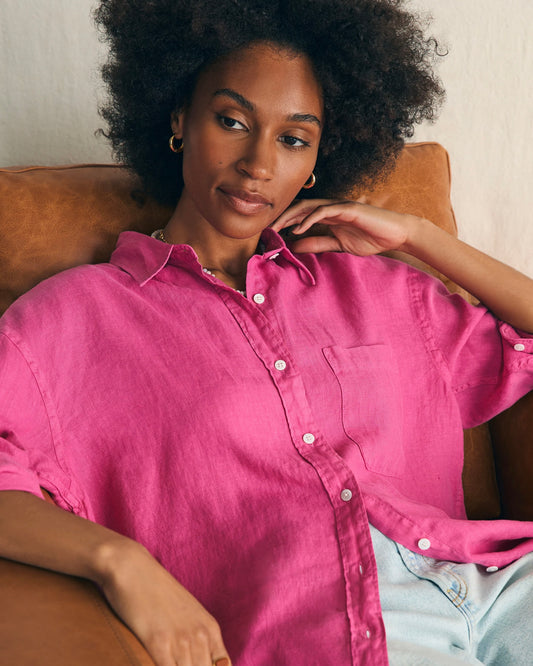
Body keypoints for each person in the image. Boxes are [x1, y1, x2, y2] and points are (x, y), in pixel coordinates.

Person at [0, 1, 532, 664]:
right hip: (344, 630)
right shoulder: (71, 320)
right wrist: (118, 561)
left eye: (293, 138)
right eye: (231, 121)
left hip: (506, 583)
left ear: (316, 161)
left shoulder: (377, 286)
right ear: (177, 119)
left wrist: (420, 239)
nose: (258, 163)